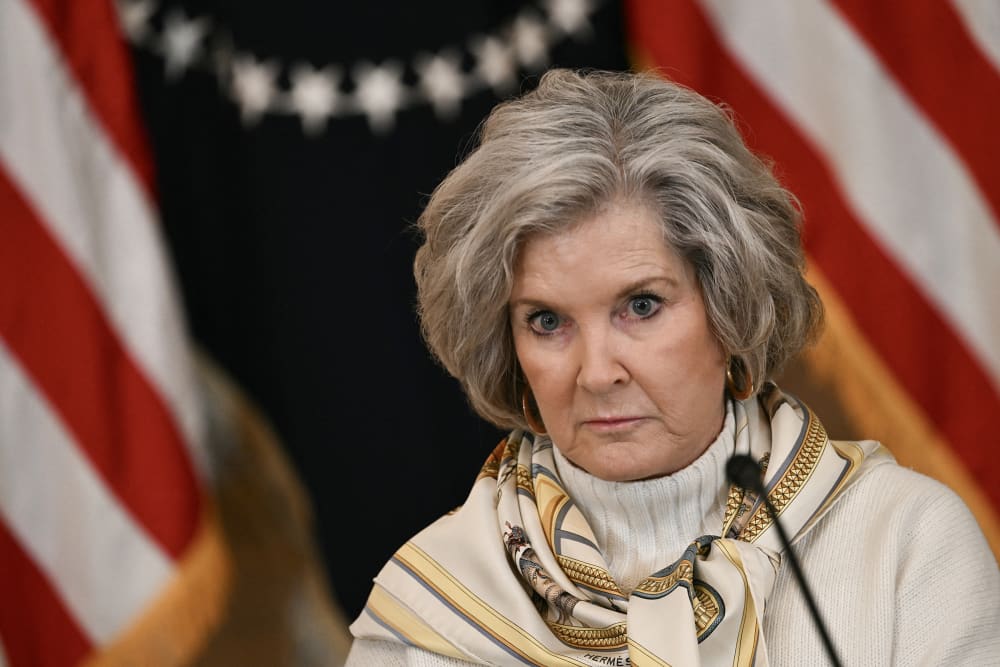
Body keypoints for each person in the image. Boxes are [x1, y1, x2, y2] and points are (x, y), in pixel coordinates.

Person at [344, 68, 1000, 666]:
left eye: (641, 306)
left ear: (730, 306)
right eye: (546, 321)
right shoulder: (428, 613)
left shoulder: (905, 545)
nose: (596, 373)